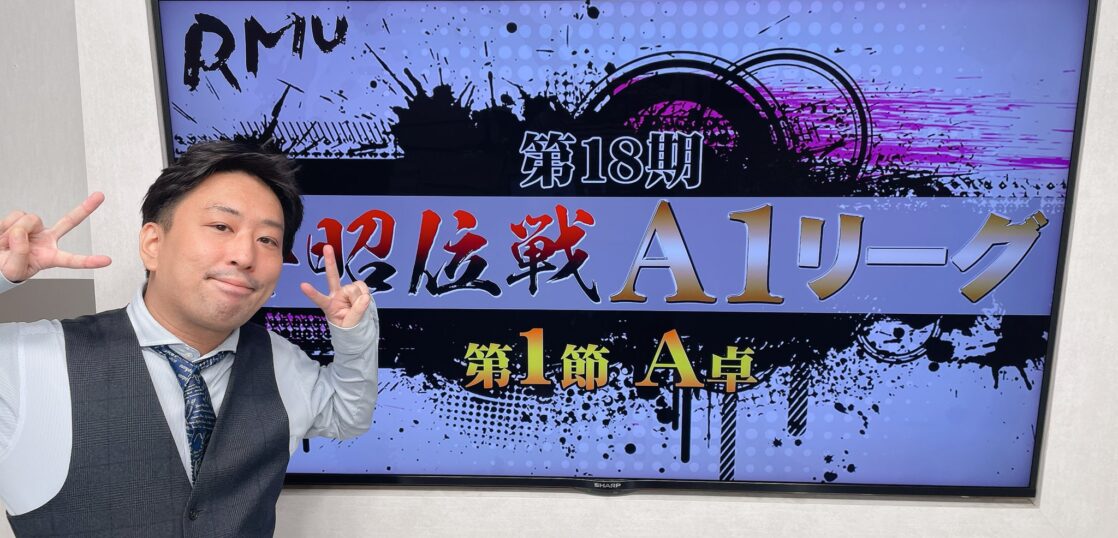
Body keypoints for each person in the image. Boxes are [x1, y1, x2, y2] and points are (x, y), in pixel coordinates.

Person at [0, 140, 379, 537]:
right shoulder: (35, 362)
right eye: (221, 226)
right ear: (153, 244)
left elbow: (347, 415)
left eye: (268, 240)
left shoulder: (283, 361)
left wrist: (354, 334)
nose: (245, 256)